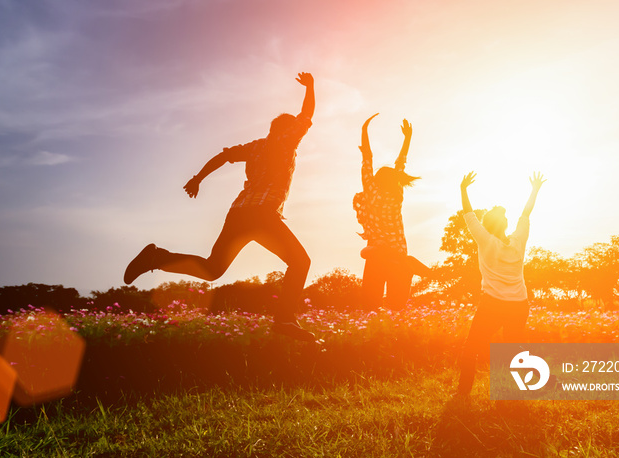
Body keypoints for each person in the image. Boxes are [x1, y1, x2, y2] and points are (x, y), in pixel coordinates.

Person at [123, 72, 316, 342]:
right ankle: (284, 320)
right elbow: (306, 115)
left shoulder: (255, 146)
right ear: (286, 130)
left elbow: (224, 156)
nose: (300, 131)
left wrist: (197, 178)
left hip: (238, 214)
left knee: (213, 269)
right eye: (295, 129)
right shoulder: (286, 141)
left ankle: (157, 258)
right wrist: (311, 86)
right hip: (262, 215)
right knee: (300, 262)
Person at [456, 171, 546, 397]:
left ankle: (463, 393)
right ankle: (518, 388)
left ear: (486, 225)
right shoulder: (518, 240)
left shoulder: (485, 240)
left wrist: (463, 189)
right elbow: (526, 213)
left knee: (471, 348)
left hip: (493, 304)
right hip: (519, 304)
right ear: (505, 224)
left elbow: (469, 215)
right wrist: (535, 189)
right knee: (512, 351)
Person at [353, 113, 432, 310]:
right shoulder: (396, 193)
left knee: (370, 305)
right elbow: (401, 163)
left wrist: (364, 131)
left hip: (377, 253)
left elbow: (367, 160)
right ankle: (409, 265)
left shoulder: (371, 192)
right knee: (397, 306)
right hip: (397, 252)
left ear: (377, 180)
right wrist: (407, 138)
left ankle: (408, 265)